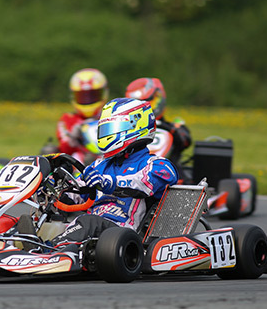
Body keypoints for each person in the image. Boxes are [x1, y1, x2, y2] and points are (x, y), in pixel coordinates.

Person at [52, 97, 178, 251]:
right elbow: (77, 193)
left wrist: (108, 182)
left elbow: (142, 183)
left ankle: (51, 250)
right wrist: (56, 187)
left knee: (89, 222)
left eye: (112, 129)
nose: (107, 134)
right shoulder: (100, 165)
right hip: (90, 231)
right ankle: (28, 243)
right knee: (47, 221)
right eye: (105, 130)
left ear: (136, 126)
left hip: (123, 234)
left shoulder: (158, 165)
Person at [125, 77, 191, 170]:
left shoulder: (173, 126)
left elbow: (185, 140)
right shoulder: (126, 128)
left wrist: (170, 129)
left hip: (169, 172)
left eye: (150, 102)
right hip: (133, 171)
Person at [55, 68, 109, 163]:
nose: (87, 100)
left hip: (108, 159)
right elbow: (64, 150)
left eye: (92, 95)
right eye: (82, 96)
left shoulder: (110, 115)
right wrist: (73, 138)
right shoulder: (68, 119)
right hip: (77, 166)